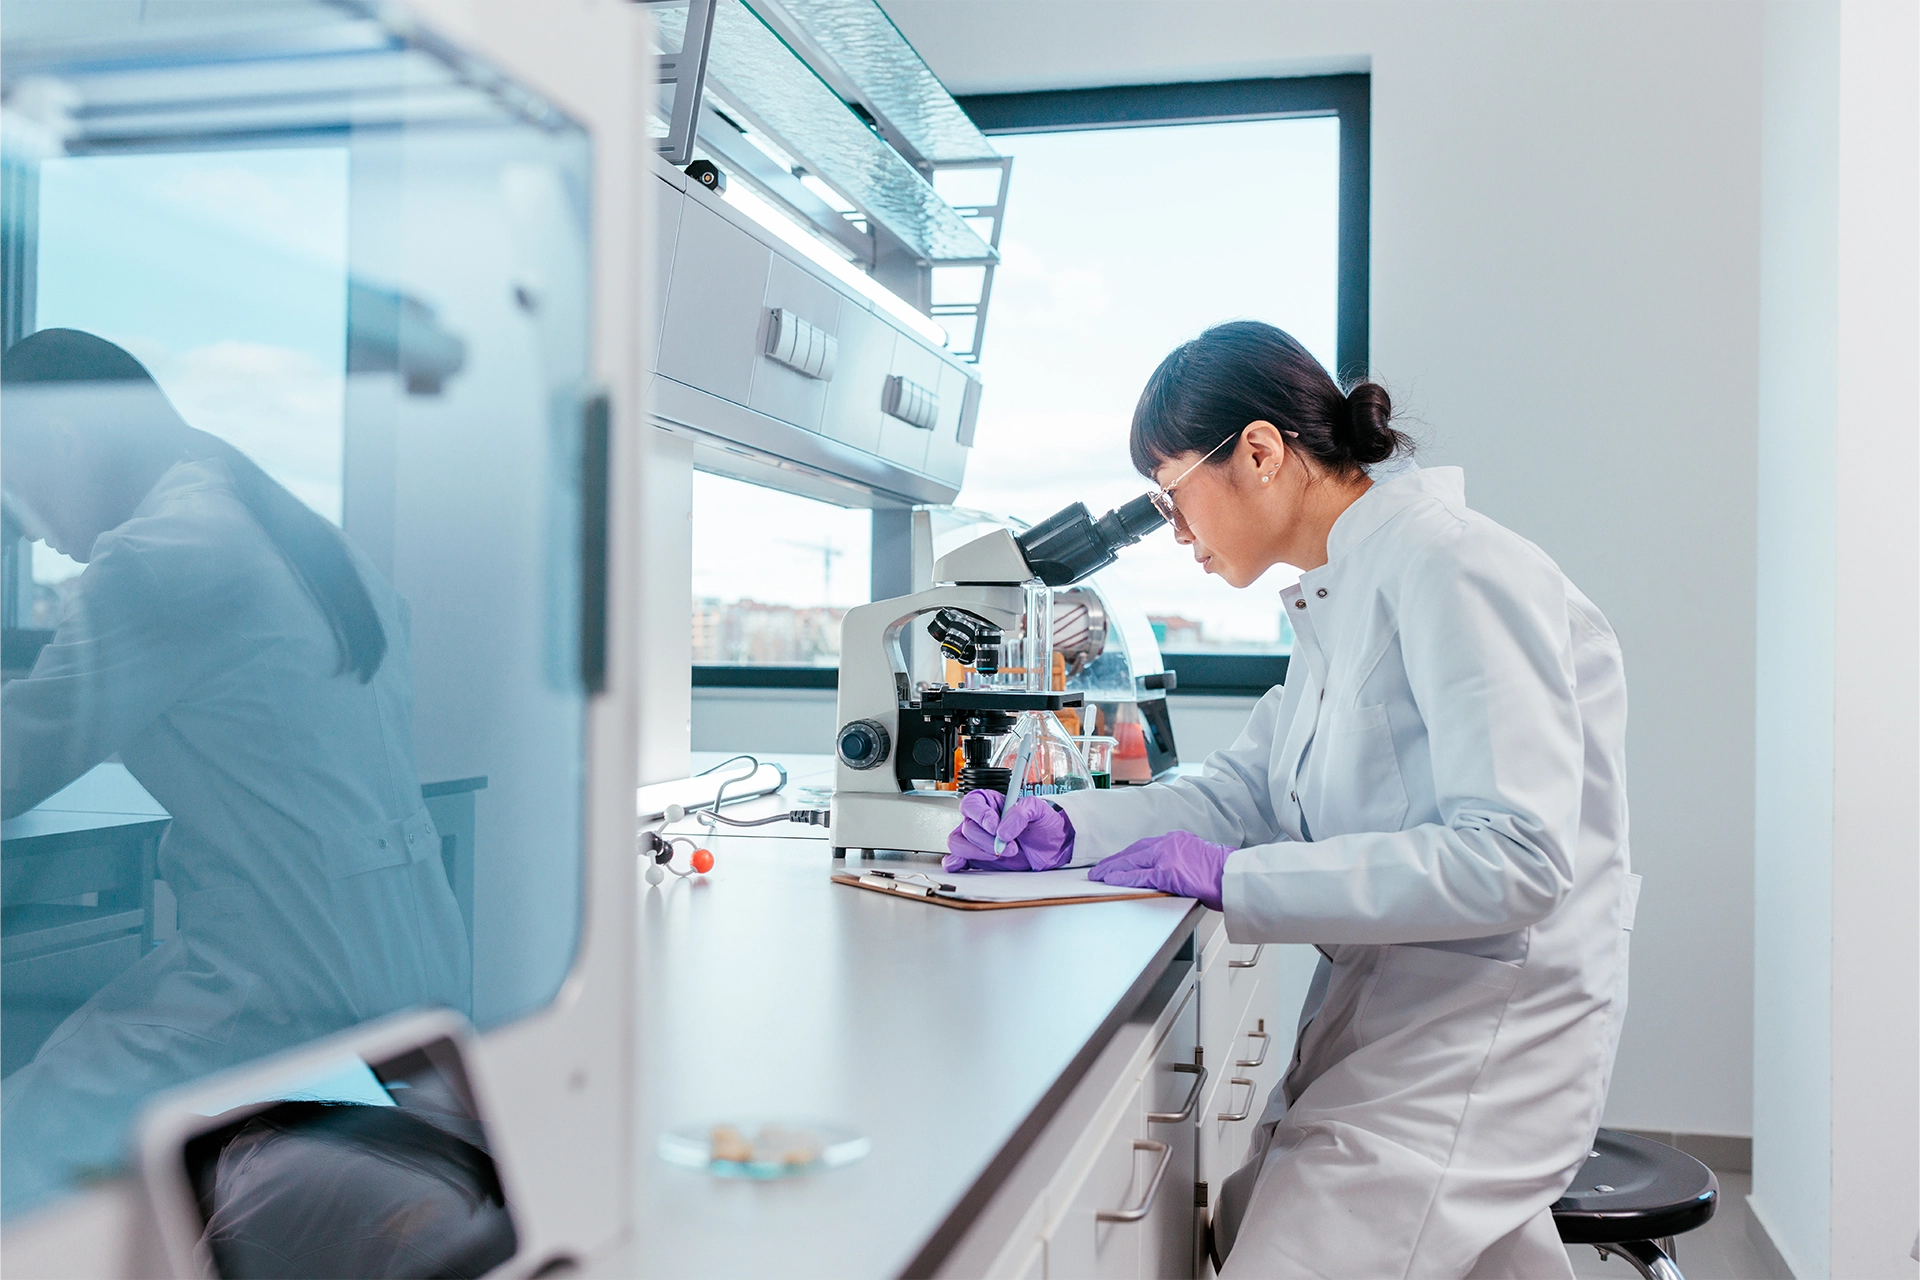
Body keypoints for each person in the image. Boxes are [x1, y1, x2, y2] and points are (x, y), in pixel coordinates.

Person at [946, 320, 1636, 1280]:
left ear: (1261, 453)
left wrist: (1240, 880)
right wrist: (1071, 829)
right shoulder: (1339, 598)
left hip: (1481, 1036)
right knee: (1254, 1210)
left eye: (1171, 494)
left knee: (1287, 1246)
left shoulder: (1458, 567)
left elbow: (1518, 859)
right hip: (1388, 1007)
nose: (1175, 530)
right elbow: (1244, 793)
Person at [0, 329, 468, 1215]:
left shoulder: (156, 556)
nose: (26, 520)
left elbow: (18, 762)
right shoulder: (297, 534)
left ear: (68, 442)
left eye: (17, 485)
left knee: (22, 1155)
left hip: (282, 991)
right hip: (415, 971)